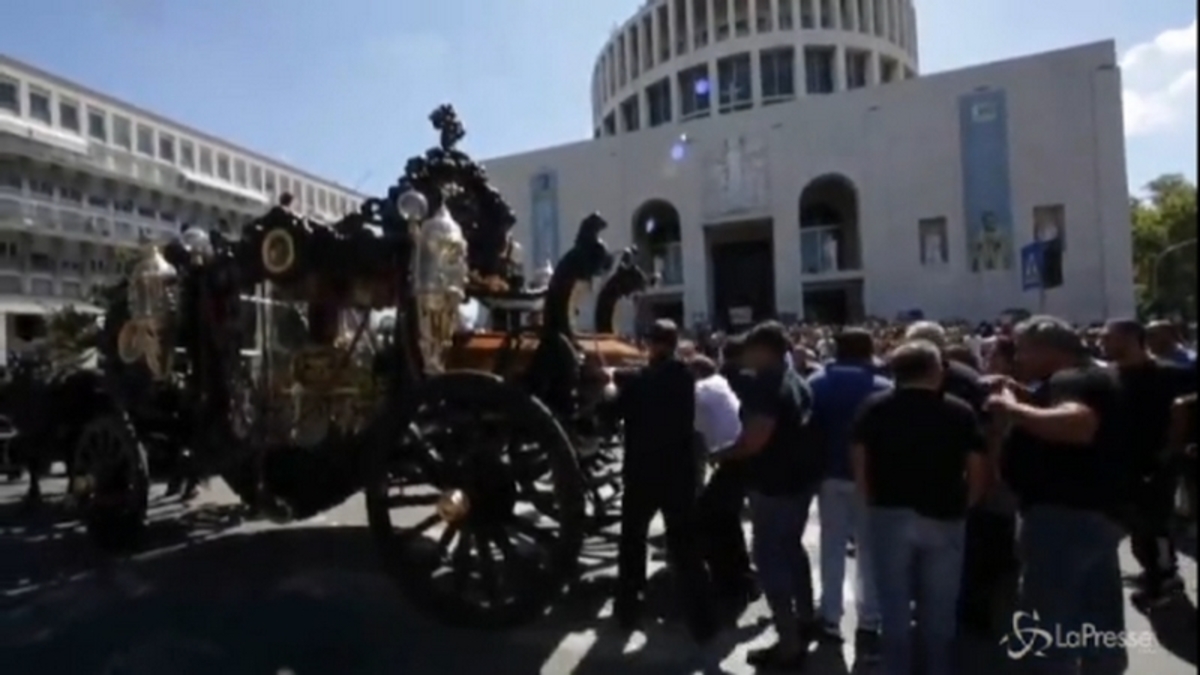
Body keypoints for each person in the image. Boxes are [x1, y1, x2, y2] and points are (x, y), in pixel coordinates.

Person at [993, 316, 1130, 674]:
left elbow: (1079, 424)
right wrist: (1026, 397)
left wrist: (1012, 410)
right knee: (1098, 618)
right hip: (1097, 513)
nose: (1018, 359)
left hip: (1062, 516)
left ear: (1047, 349)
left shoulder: (1072, 380)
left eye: (1023, 351)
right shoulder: (1096, 377)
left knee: (1049, 622)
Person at [853, 340, 988, 675]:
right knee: (939, 611)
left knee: (894, 608)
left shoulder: (873, 409)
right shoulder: (959, 411)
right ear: (936, 370)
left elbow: (860, 466)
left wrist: (872, 504)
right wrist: (965, 505)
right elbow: (978, 469)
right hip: (945, 514)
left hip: (889, 512)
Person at [711, 321, 819, 670]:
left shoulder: (766, 385)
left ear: (763, 350)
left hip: (773, 484)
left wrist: (717, 455)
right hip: (799, 482)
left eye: (750, 350)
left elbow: (755, 439)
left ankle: (788, 642)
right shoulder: (797, 379)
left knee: (770, 559)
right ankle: (806, 619)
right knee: (792, 550)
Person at [615, 319, 715, 641]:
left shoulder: (639, 382)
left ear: (654, 344)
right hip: (678, 475)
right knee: (686, 549)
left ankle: (628, 610)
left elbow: (611, 410)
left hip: (642, 474)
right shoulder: (686, 377)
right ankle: (702, 621)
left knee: (632, 542)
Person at [807, 329, 889, 659]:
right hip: (871, 479)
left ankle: (830, 617)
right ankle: (869, 622)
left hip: (829, 475)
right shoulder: (884, 387)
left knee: (832, 546)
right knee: (869, 550)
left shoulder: (816, 383)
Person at [1101, 319, 1193, 606]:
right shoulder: (1109, 378)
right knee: (1137, 527)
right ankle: (1151, 572)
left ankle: (1164, 580)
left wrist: (1176, 442)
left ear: (1130, 340)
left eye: (1110, 338)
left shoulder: (1170, 375)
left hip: (1159, 464)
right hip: (1122, 464)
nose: (1103, 344)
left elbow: (1188, 409)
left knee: (1154, 525)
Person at [697, 338, 755, 600]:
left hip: (735, 456)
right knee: (724, 516)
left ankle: (731, 581)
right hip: (739, 454)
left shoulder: (702, 389)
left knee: (711, 516)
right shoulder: (719, 383)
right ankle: (739, 575)